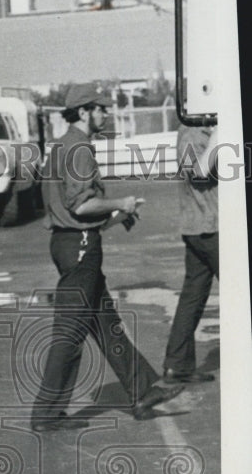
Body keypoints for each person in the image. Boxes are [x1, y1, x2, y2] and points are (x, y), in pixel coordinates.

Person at [31, 82, 184, 431]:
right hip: (79, 248)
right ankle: (45, 414)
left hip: (72, 243)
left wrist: (116, 217)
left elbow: (66, 213)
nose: (105, 114)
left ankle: (142, 391)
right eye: (100, 109)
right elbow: (81, 205)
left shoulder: (61, 147)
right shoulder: (78, 149)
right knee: (69, 334)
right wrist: (121, 203)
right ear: (84, 112)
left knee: (106, 324)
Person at [162, 124, 218, 383]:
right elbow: (199, 172)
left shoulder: (196, 132)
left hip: (200, 226)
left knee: (192, 296)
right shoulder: (193, 134)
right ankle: (177, 364)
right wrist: (218, 137)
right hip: (209, 227)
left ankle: (178, 364)